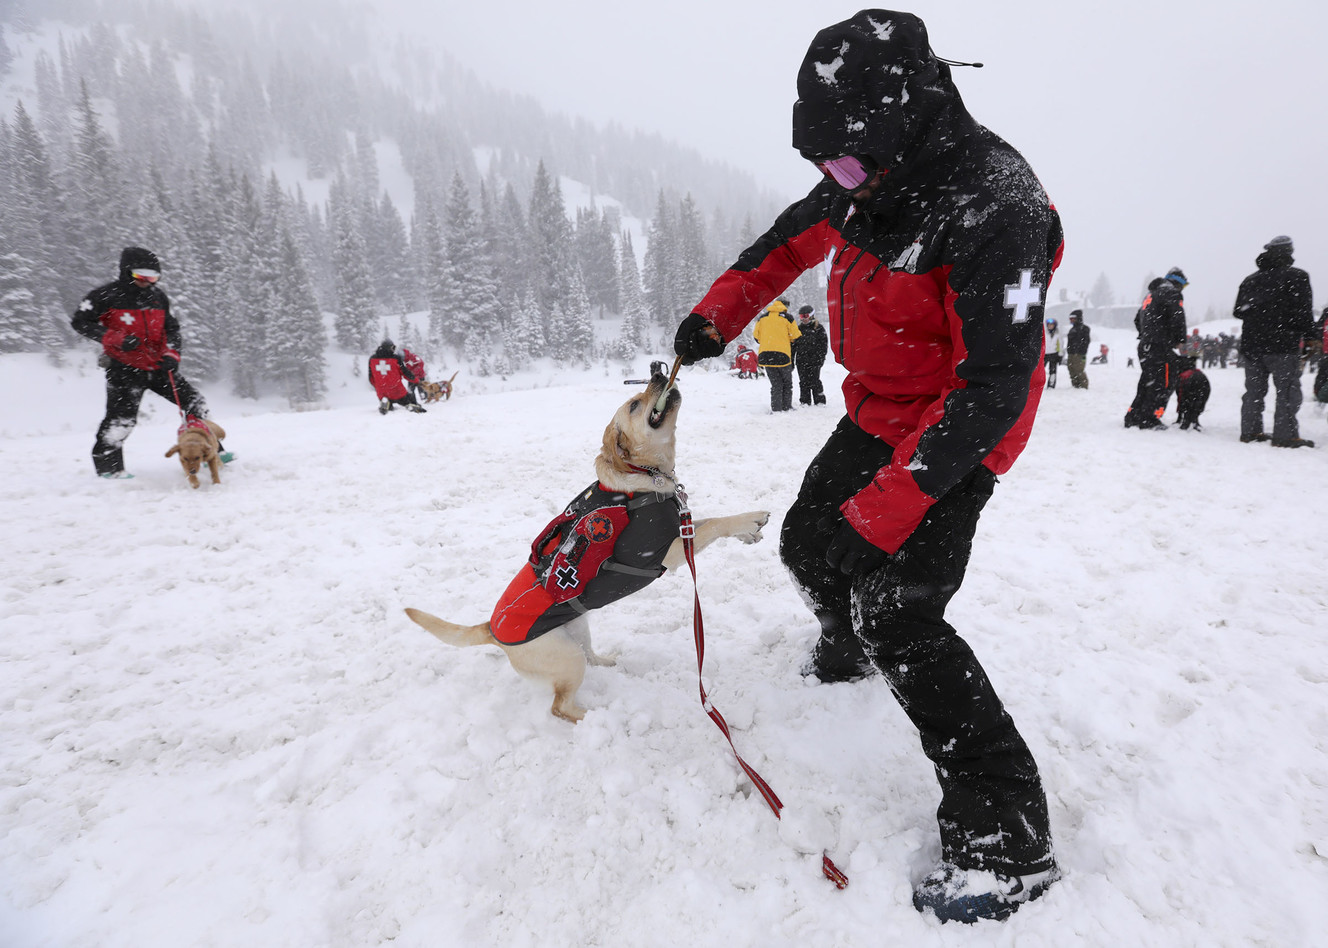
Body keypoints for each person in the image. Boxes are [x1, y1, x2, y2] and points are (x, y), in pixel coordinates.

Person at [672, 10, 1061, 923]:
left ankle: (1009, 837)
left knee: (901, 606)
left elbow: (995, 385)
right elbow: (788, 240)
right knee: (811, 542)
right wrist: (716, 316)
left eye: (844, 166)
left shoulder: (995, 202)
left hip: (958, 425)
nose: (833, 185)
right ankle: (848, 648)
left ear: (909, 117)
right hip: (878, 409)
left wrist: (890, 508)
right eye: (824, 167)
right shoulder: (862, 174)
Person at [71, 246, 219, 479]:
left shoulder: (158, 297)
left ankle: (211, 452)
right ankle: (110, 470)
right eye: (141, 276)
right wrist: (116, 338)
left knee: (195, 403)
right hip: (124, 368)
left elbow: (172, 329)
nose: (147, 281)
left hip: (159, 367)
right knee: (121, 420)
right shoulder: (104, 296)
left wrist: (172, 355)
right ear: (126, 272)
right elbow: (80, 322)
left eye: (153, 277)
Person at [1234, 236, 1315, 447]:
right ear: (1288, 252)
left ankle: (1250, 431)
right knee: (1287, 391)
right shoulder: (1297, 277)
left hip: (1253, 346)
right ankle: (1285, 436)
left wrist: (1260, 314)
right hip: (1283, 345)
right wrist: (1310, 337)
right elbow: (1303, 312)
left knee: (1254, 391)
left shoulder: (1250, 280)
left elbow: (1238, 311)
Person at [1124, 268, 1188, 429]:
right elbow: (1177, 316)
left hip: (1146, 346)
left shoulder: (1151, 295)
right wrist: (1179, 340)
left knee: (1147, 381)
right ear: (1177, 283)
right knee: (1164, 383)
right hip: (1159, 346)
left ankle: (1134, 415)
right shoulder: (1172, 293)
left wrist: (1147, 334)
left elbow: (1137, 320)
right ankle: (1150, 418)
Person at [753, 299, 800, 412]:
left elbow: (756, 336)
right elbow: (795, 336)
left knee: (776, 384)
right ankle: (786, 407)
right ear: (785, 306)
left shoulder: (762, 317)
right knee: (787, 383)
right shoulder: (788, 318)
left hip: (766, 356)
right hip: (782, 355)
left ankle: (776, 408)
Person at [369, 339, 426, 414]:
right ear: (389, 348)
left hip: (382, 392)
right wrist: (417, 381)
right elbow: (406, 373)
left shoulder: (372, 359)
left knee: (385, 398)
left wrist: (378, 387)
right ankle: (411, 404)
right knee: (409, 399)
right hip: (397, 391)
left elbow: (371, 378)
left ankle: (386, 403)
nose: (393, 350)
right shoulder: (395, 358)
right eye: (393, 347)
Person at [791, 304, 829, 405]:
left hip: (815, 360)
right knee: (803, 382)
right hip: (801, 360)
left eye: (805, 316)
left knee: (815, 380)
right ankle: (805, 401)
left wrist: (820, 359)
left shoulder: (818, 328)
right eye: (801, 317)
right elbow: (793, 347)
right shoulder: (798, 329)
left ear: (811, 316)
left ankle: (819, 401)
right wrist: (792, 359)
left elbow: (823, 345)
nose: (804, 319)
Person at [1066, 310, 1090, 388]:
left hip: (1080, 354)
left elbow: (1086, 341)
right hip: (1071, 353)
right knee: (1071, 369)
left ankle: (1083, 385)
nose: (1071, 320)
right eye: (1070, 319)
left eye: (1073, 319)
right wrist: (1069, 351)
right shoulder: (1072, 329)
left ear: (1078, 318)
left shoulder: (1084, 328)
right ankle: (1075, 385)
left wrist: (1081, 351)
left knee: (1079, 369)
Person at [1043, 317, 1063, 388]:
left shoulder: (1058, 334)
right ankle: (1037, 383)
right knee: (1040, 370)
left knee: (1053, 371)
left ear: (1054, 325)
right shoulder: (1044, 333)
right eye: (1049, 325)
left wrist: (1060, 356)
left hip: (1054, 355)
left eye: (1052, 325)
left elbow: (1060, 345)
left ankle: (1051, 385)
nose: (1050, 326)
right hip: (1044, 355)